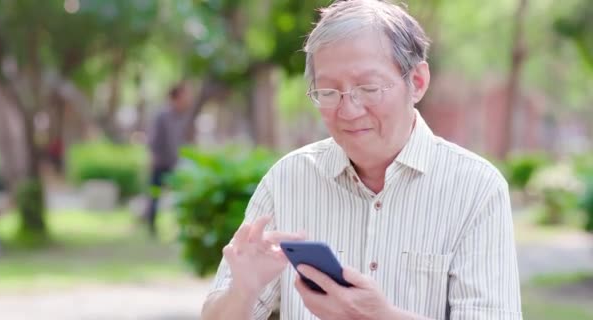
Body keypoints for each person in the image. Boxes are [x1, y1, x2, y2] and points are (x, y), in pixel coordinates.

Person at [202, 1, 522, 319]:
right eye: (328, 92)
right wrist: (242, 291)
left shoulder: (476, 187)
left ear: (417, 82)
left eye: (368, 88)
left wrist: (379, 316)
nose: (349, 110)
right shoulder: (287, 179)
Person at [146, 82, 191, 237]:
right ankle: (151, 226)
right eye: (185, 95)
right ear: (176, 96)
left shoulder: (182, 116)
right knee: (154, 195)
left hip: (174, 164)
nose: (187, 99)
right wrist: (154, 158)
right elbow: (153, 140)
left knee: (179, 198)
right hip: (160, 163)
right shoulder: (161, 115)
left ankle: (179, 229)